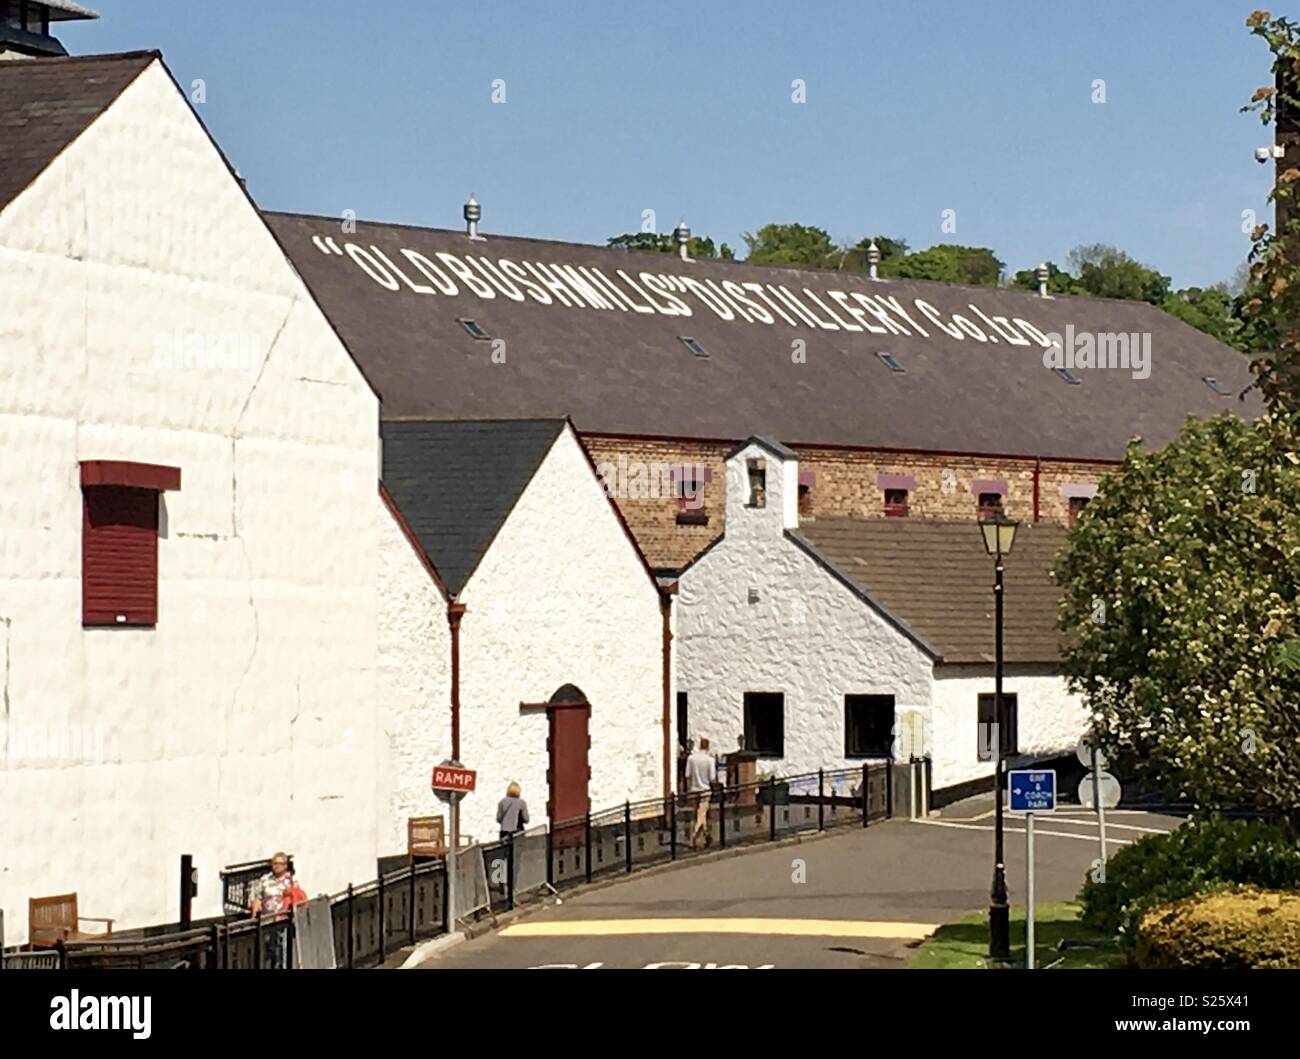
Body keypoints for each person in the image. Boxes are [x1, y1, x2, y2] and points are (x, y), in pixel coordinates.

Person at [684, 737, 717, 849]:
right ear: (708, 746)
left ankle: (707, 836)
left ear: (699, 745)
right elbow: (712, 778)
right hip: (705, 789)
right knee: (702, 814)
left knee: (696, 814)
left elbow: (687, 775)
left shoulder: (691, 759)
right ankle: (694, 836)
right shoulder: (710, 760)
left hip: (694, 789)